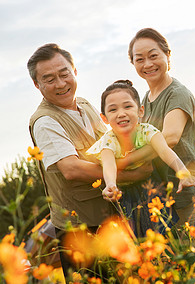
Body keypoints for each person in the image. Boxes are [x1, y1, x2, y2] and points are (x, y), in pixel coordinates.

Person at [27, 43, 153, 279]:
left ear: (75, 71)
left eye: (64, 74)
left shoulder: (84, 104)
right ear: (37, 84)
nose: (61, 83)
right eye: (49, 79)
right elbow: (71, 169)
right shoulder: (44, 121)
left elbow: (109, 144)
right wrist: (131, 176)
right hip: (80, 229)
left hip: (111, 217)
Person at [127, 28, 195, 266]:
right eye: (139, 59)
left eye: (153, 55)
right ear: (133, 63)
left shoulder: (177, 93)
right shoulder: (145, 100)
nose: (148, 63)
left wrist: (127, 161)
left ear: (167, 55)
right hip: (180, 196)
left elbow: (170, 137)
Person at [86, 80, 195, 236]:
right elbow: (109, 164)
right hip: (124, 190)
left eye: (127, 107)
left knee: (164, 230)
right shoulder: (108, 141)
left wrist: (183, 172)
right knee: (135, 235)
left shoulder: (147, 131)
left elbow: (165, 151)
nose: (121, 113)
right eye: (113, 110)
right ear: (104, 118)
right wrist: (111, 185)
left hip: (150, 184)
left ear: (140, 111)